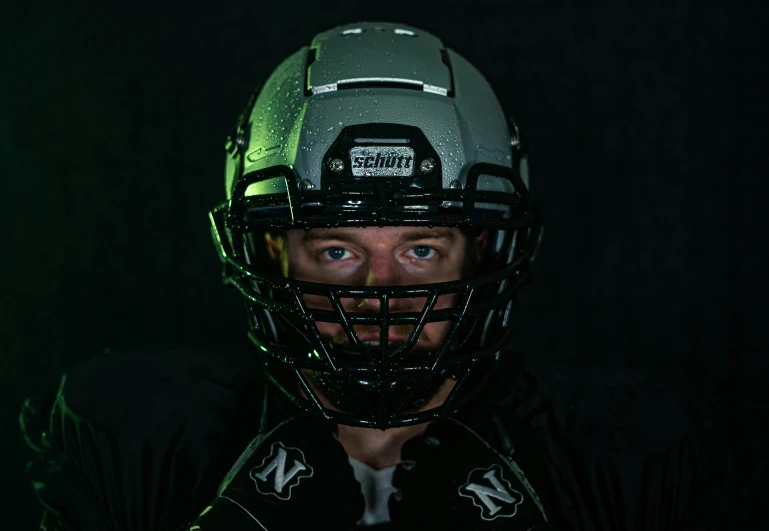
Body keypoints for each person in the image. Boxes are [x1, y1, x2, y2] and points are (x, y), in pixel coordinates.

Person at [20, 22, 732, 530]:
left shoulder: (624, 449)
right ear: (271, 252)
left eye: (421, 248)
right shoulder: (135, 438)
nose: (379, 289)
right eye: (336, 250)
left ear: (480, 249)